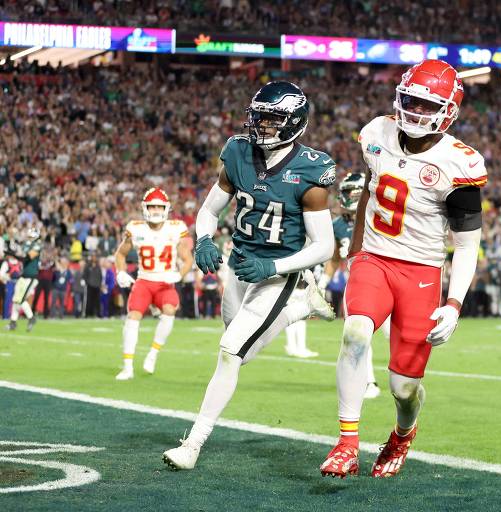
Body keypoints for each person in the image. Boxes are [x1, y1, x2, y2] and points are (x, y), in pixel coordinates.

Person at [320, 60, 486, 479]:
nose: (414, 111)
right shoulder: (377, 133)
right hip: (375, 259)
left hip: (422, 271)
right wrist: (356, 254)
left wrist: (453, 304)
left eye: (427, 104)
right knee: (355, 333)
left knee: (403, 388)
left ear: (448, 110)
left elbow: (467, 245)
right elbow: (368, 199)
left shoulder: (458, 164)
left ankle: (403, 433)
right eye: (410, 99)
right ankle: (346, 443)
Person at [162, 81, 336, 470]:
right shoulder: (238, 152)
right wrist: (203, 238)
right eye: (258, 117)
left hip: (277, 273)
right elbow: (208, 211)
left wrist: (271, 267)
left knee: (229, 352)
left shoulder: (310, 169)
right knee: (239, 352)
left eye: (272, 120)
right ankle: (300, 309)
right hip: (239, 265)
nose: (262, 127)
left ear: (294, 123)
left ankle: (192, 444)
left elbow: (324, 246)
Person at [113, 188, 193, 379]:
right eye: (152, 206)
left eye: (159, 206)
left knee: (170, 310)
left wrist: (179, 275)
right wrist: (121, 271)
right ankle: (127, 367)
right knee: (132, 317)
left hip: (165, 281)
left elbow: (188, 259)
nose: (156, 210)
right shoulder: (136, 228)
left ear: (166, 208)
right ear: (145, 208)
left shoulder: (176, 227)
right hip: (144, 280)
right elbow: (120, 254)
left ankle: (153, 354)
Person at [317, 172, 380, 398]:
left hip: (384, 282)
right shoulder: (338, 225)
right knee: (359, 334)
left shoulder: (377, 216)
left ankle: (403, 383)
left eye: (348, 192)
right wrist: (323, 283)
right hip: (358, 284)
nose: (344, 196)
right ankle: (369, 382)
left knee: (397, 337)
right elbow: (334, 260)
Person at [6, 228, 42, 332]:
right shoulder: (26, 244)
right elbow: (21, 255)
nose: (29, 237)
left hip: (31, 277)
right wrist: (12, 251)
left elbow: (27, 258)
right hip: (23, 276)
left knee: (20, 300)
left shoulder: (37, 245)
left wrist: (13, 255)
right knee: (15, 299)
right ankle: (13, 322)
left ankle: (31, 318)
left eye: (31, 236)